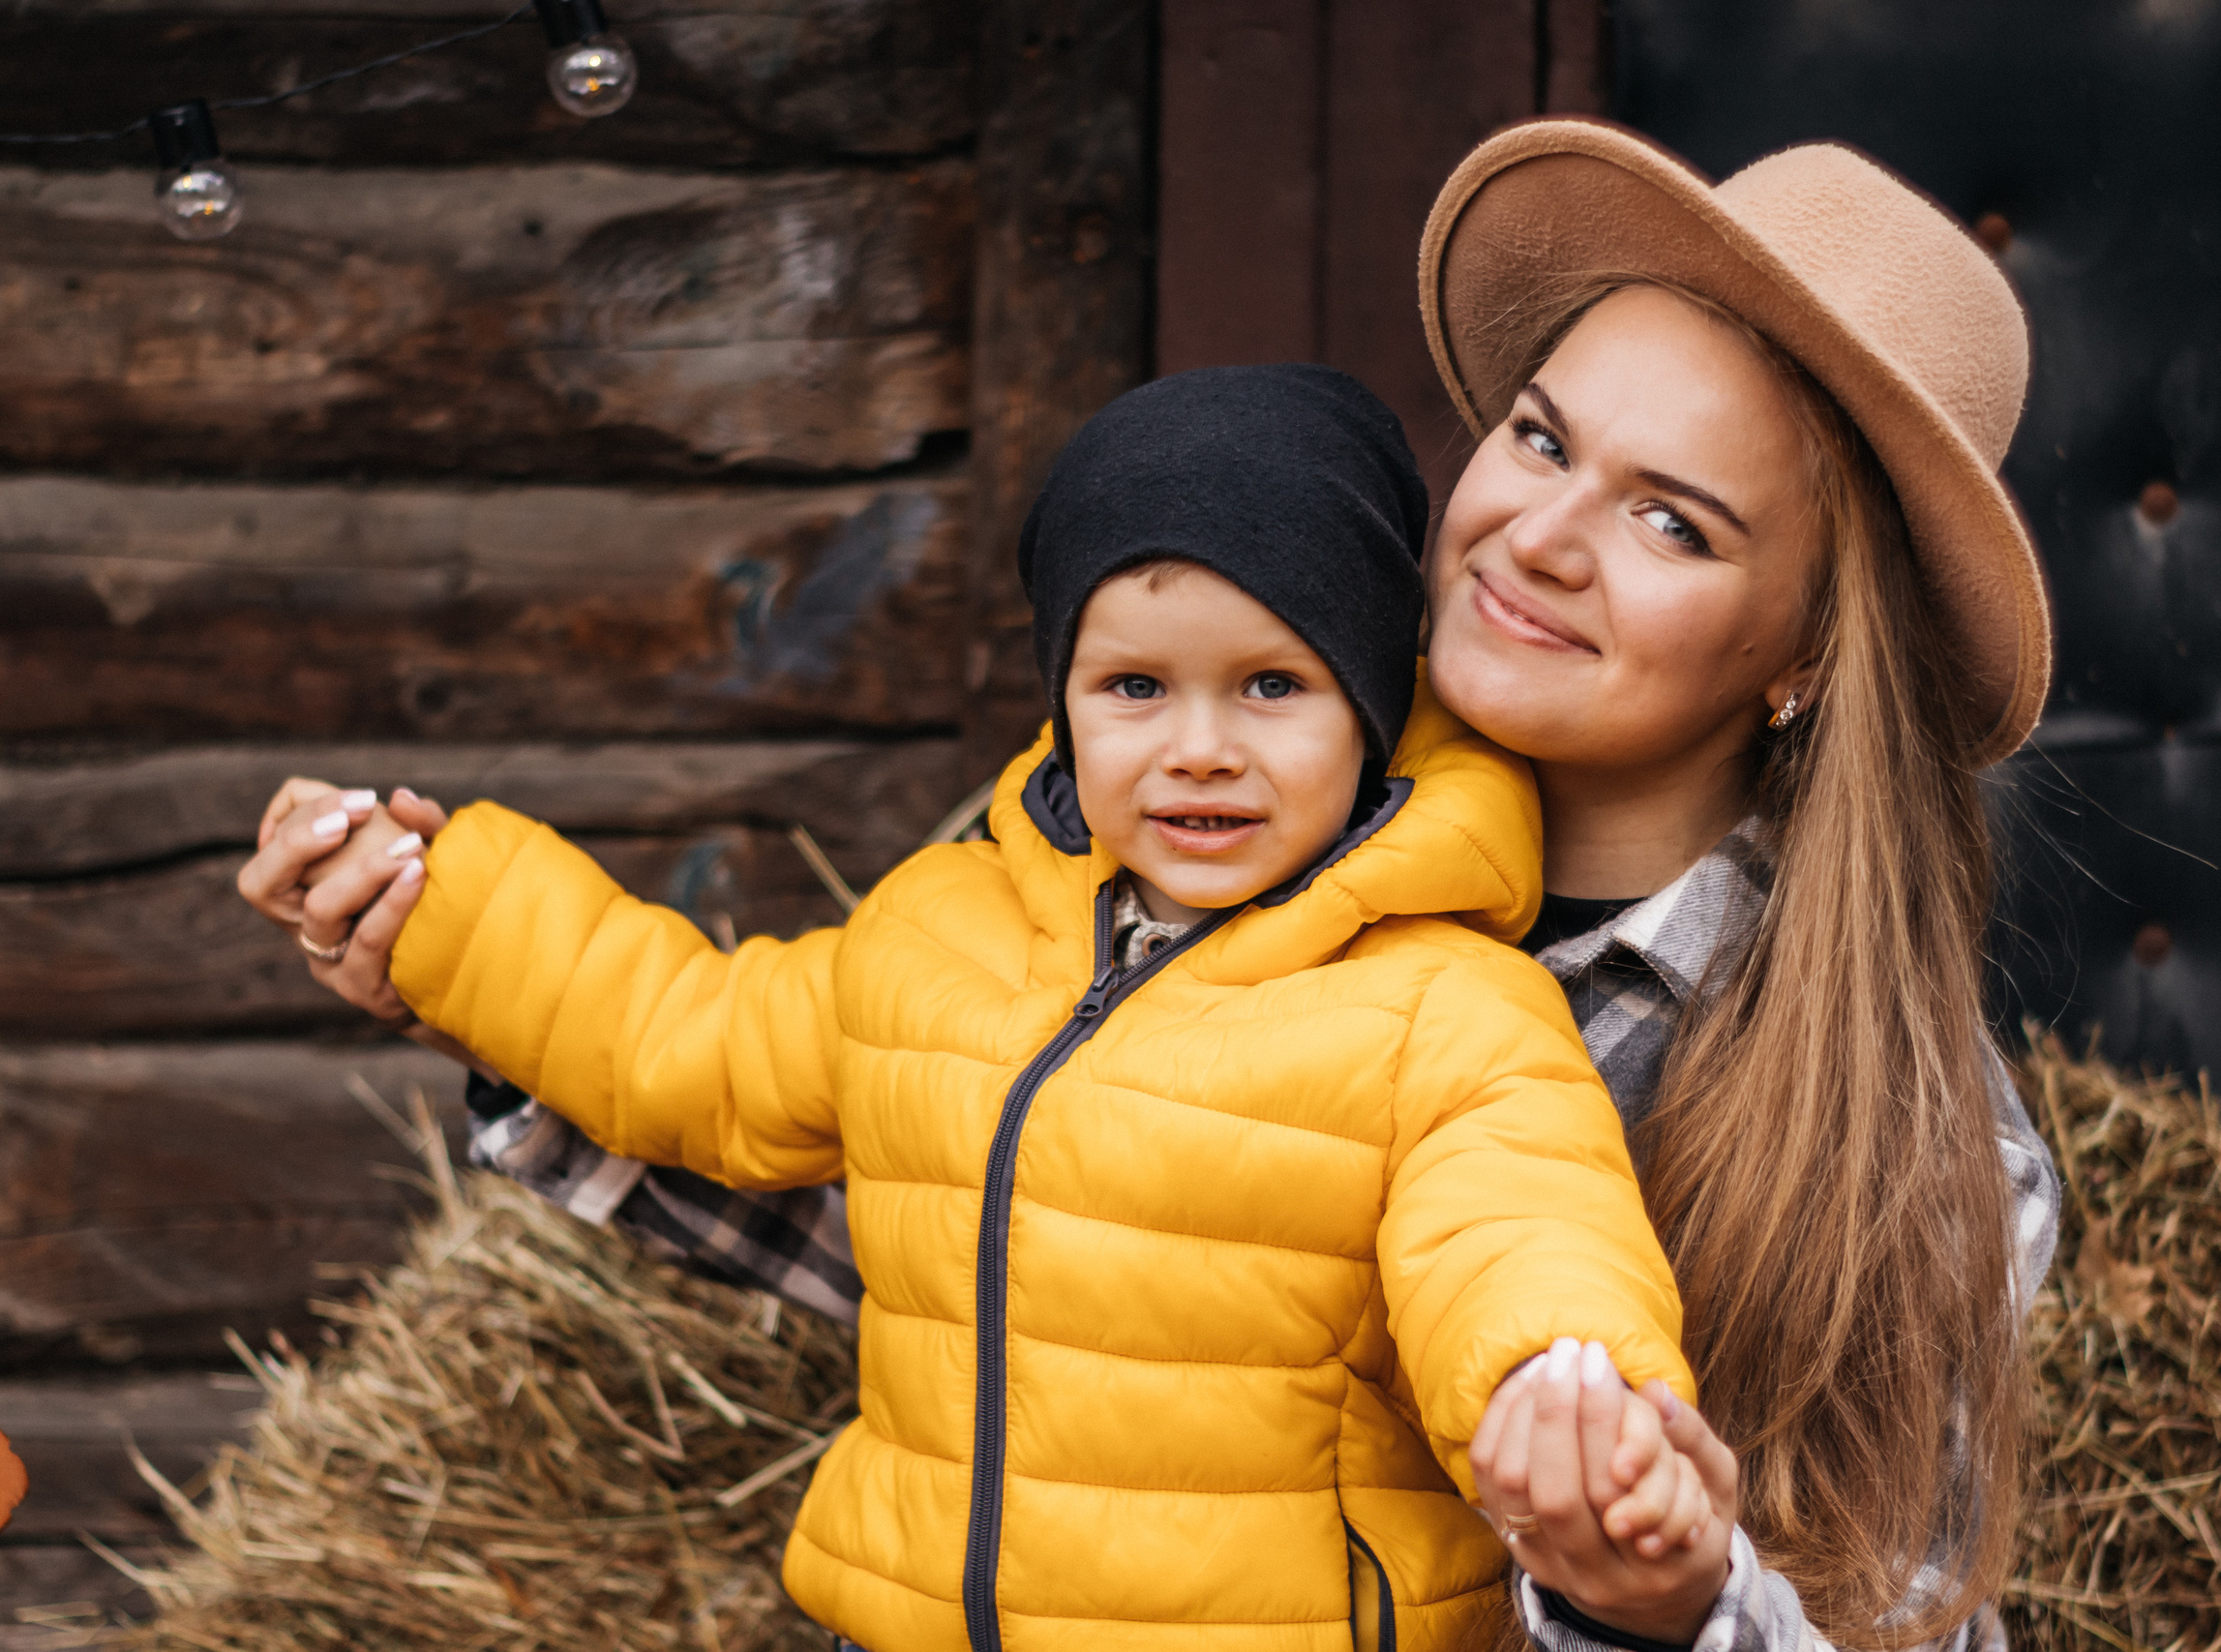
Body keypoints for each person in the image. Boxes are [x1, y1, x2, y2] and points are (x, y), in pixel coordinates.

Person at [244, 123, 2064, 1651]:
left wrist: (1659, 1609)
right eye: (1539, 436)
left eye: (1675, 521)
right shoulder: (1191, 792)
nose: (1542, 535)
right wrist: (470, 965)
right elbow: (977, 1217)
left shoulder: (1895, 1140)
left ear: (1808, 654)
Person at [245, 363, 1708, 1652]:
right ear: (1062, 701)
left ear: (1374, 711)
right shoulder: (942, 933)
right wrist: (439, 902)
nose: (1199, 750)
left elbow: (1517, 1232)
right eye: (1135, 685)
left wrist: (1577, 1408)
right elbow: (686, 1040)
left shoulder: (1443, 1006)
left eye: (1273, 685)